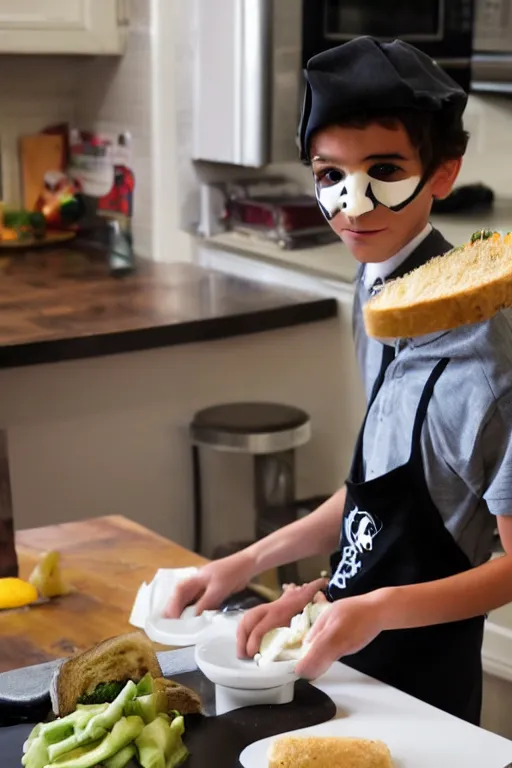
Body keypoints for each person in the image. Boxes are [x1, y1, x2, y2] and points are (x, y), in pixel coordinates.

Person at [166, 37, 512, 725]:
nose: (352, 205)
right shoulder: (376, 291)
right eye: (330, 174)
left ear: (443, 173)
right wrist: (258, 568)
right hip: (343, 664)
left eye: (383, 169)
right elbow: (384, 494)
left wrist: (376, 609)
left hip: (422, 697)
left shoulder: (488, 363)